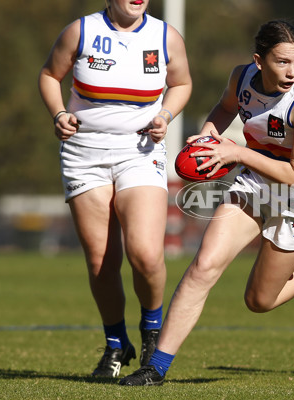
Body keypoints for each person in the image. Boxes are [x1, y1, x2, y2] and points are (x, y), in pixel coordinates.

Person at [119, 19, 294, 386]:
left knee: (259, 300)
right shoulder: (241, 78)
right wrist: (208, 135)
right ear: (258, 61)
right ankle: (156, 368)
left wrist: (238, 153)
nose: (292, 71)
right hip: (255, 183)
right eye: (281, 62)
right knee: (203, 267)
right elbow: (225, 108)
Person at [38, 0, 192, 378]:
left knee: (146, 254)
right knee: (101, 262)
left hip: (140, 152)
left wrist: (165, 115)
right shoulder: (81, 30)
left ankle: (152, 330)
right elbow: (48, 75)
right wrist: (59, 113)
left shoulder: (165, 35)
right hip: (83, 153)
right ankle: (115, 344)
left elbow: (182, 83)